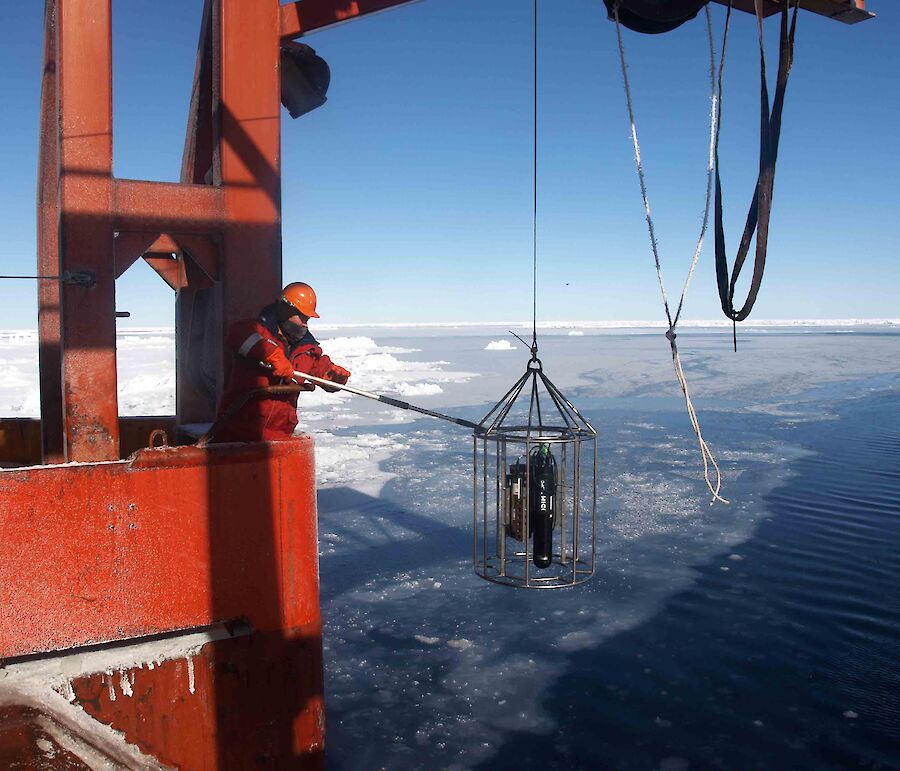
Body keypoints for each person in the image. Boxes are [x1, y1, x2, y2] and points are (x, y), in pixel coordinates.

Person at [212, 282, 351, 442]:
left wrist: (334, 377)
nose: (305, 324)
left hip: (279, 437)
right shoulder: (255, 330)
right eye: (301, 316)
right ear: (285, 309)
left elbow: (321, 369)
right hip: (237, 436)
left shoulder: (307, 349)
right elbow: (239, 336)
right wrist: (273, 355)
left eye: (308, 319)